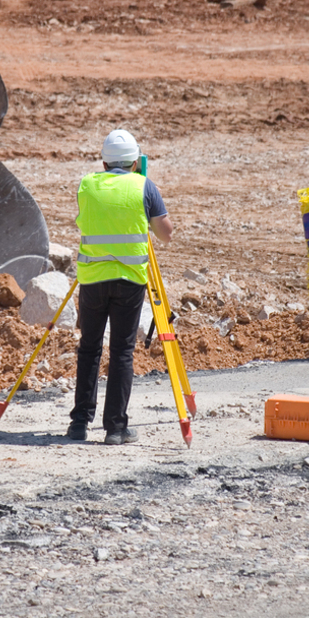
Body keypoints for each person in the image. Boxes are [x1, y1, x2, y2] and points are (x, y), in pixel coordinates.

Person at [67, 129, 173, 445]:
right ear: (135, 161)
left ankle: (78, 424)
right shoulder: (144, 186)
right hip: (129, 282)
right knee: (122, 351)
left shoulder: (87, 185)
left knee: (89, 348)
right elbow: (166, 234)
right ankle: (115, 428)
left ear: (103, 160)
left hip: (92, 279)